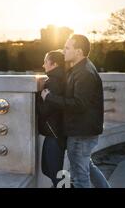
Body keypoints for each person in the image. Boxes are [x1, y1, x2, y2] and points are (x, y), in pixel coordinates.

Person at [41, 34, 110, 188]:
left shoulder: (84, 73)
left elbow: (79, 104)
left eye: (67, 48)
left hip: (81, 132)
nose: (63, 51)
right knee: (88, 167)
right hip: (83, 130)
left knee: (80, 177)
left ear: (78, 51)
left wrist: (50, 97)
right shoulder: (80, 68)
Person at [37, 50, 67, 187]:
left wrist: (38, 97)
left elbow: (45, 110)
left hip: (54, 133)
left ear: (54, 64)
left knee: (55, 173)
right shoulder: (60, 79)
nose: (43, 65)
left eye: (45, 62)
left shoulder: (53, 82)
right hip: (56, 132)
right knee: (50, 171)